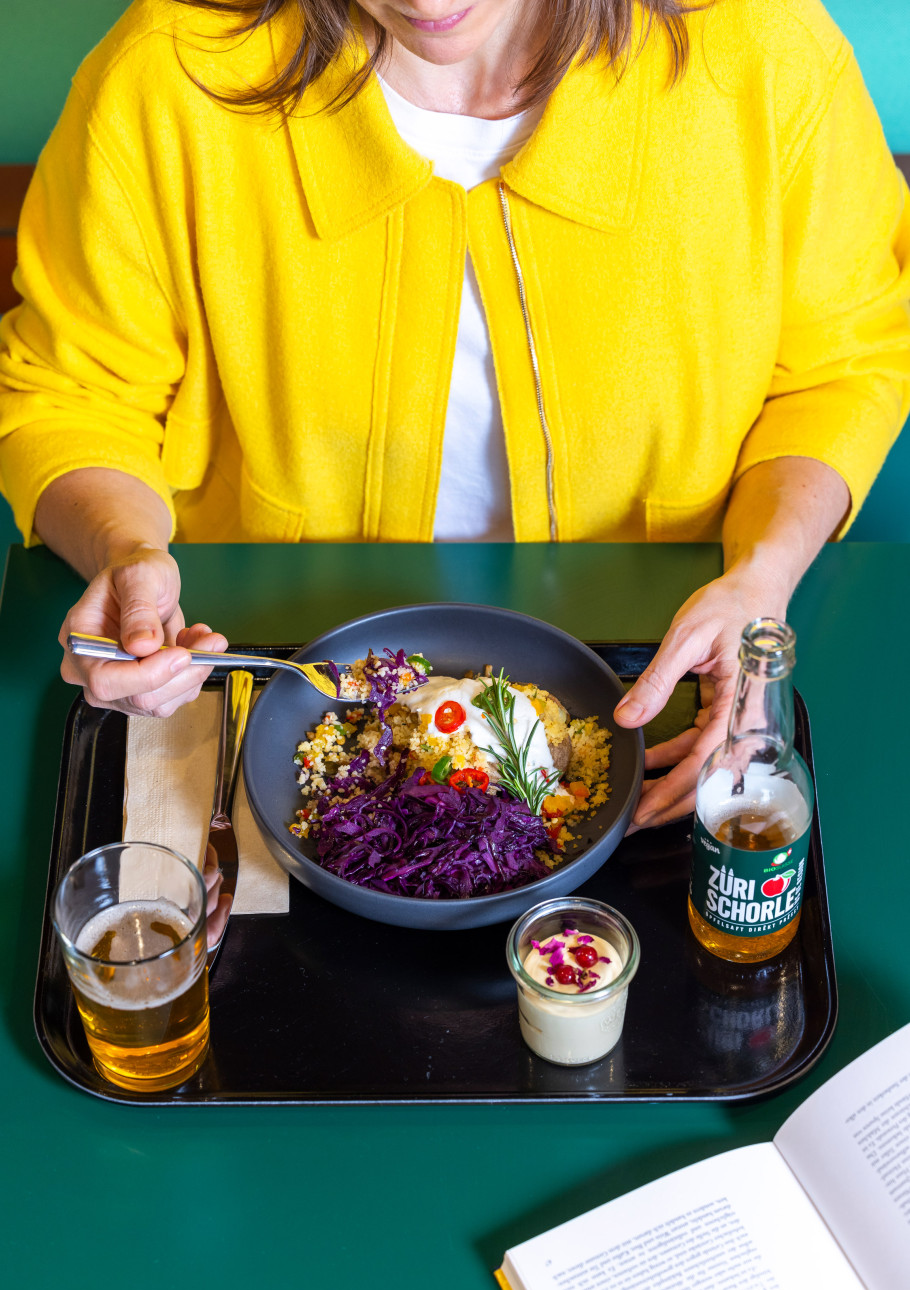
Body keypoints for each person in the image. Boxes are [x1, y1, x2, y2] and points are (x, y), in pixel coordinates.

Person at [1, 0, 908, 831]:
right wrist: (125, 552)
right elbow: (73, 392)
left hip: (669, 684)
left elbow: (841, 368)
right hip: (260, 693)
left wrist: (761, 581)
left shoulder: (767, 56)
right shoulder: (164, 75)